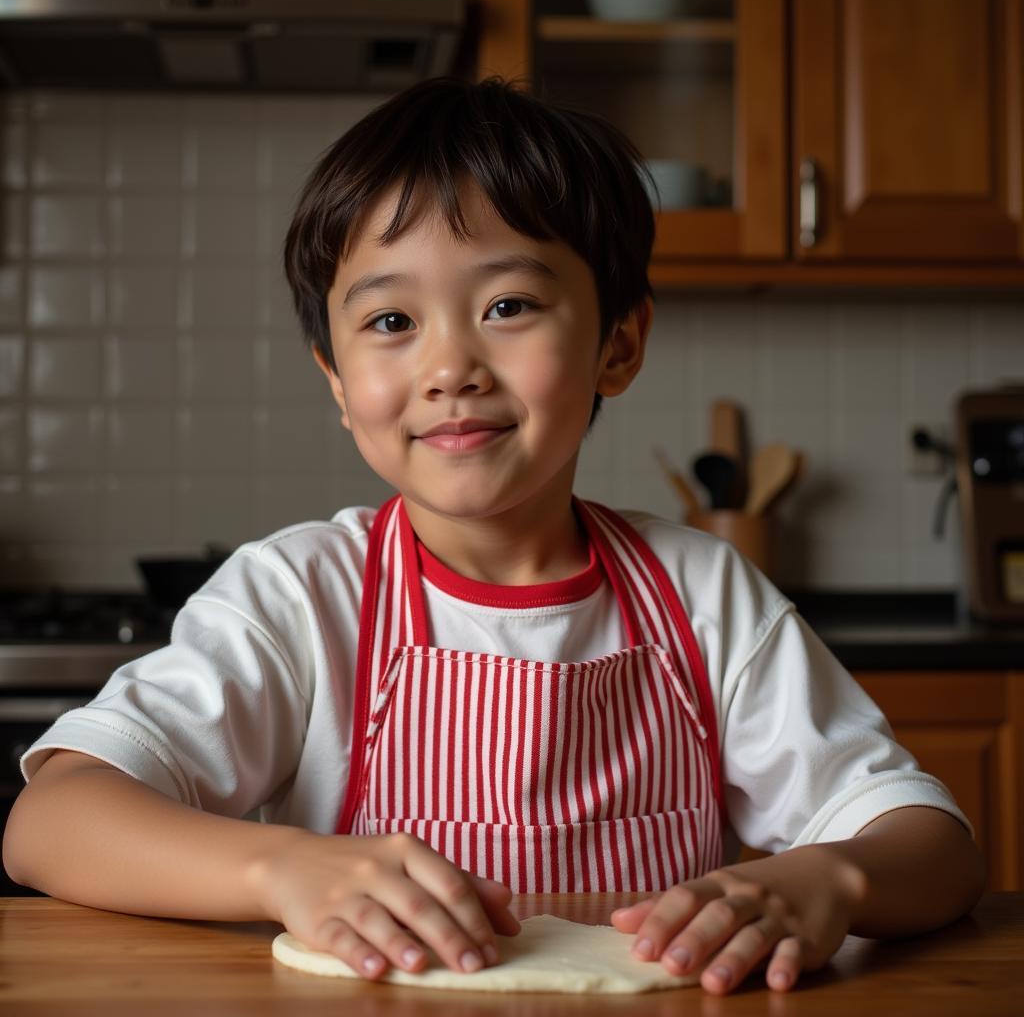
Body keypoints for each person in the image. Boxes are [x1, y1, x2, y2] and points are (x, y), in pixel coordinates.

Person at [3, 77, 983, 996]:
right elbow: (49, 820)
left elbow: (931, 843)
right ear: (338, 381)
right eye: (390, 319)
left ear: (617, 343)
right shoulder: (300, 595)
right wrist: (280, 866)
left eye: (507, 305)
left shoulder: (702, 596)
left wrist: (830, 881)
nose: (449, 366)